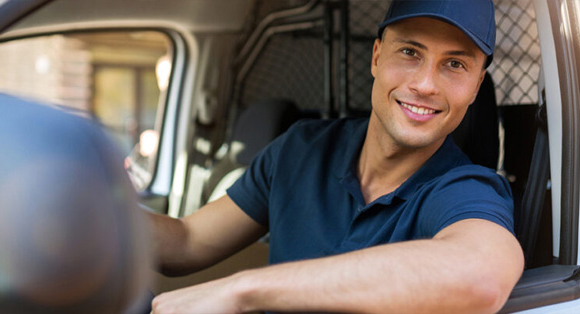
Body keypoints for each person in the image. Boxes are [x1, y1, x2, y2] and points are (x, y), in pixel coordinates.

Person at [150, 0, 524, 313]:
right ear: (377, 57)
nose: (425, 84)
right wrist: (98, 213)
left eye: (455, 64)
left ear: (476, 86)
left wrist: (241, 290)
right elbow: (187, 240)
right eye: (410, 52)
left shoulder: (465, 189)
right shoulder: (300, 149)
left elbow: (482, 276)